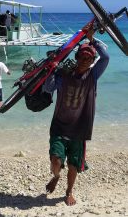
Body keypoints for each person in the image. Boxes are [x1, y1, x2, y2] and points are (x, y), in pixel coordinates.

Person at [43, 24, 109, 206]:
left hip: (80, 129)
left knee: (74, 165)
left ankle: (69, 191)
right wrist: (52, 70)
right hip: (59, 125)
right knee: (56, 160)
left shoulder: (93, 75)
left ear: (92, 59)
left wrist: (91, 39)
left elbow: (106, 57)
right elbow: (48, 88)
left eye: (89, 57)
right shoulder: (64, 75)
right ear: (77, 57)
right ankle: (56, 176)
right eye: (83, 56)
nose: (86, 60)